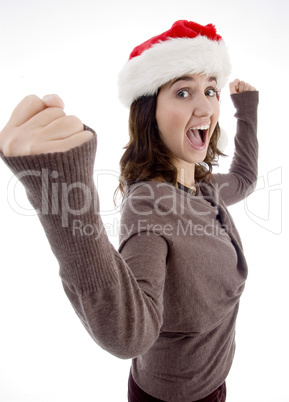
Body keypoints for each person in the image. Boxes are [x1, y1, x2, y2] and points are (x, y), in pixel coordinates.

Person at [0, 20, 258, 402]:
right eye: (183, 92)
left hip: (216, 383)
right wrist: (63, 199)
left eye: (210, 90)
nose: (205, 106)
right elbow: (129, 334)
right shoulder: (149, 207)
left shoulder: (204, 189)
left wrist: (247, 110)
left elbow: (245, 178)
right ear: (149, 113)